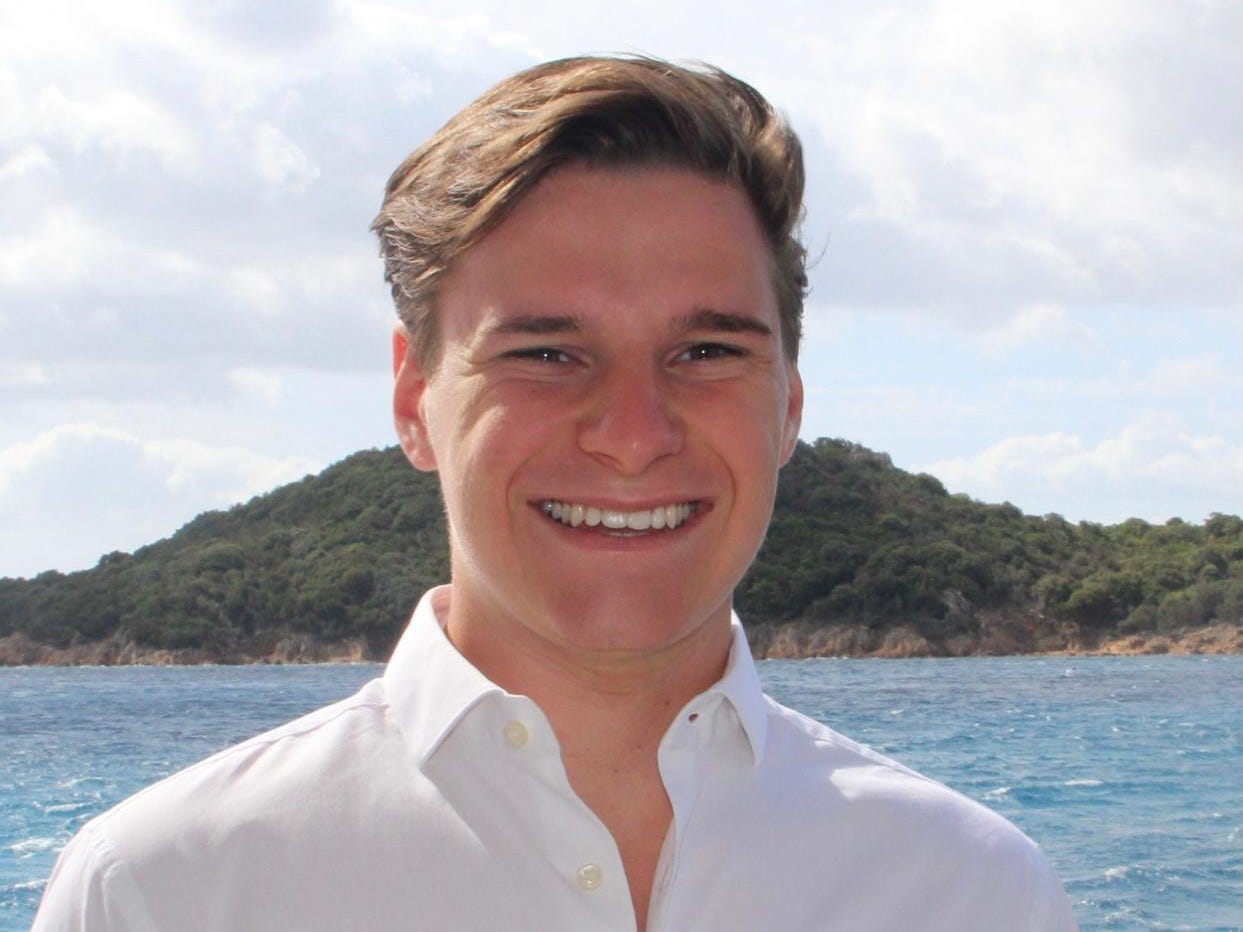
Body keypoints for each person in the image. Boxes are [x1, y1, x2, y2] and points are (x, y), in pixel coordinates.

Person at [33, 56, 1078, 931]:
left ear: (789, 403)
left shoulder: (971, 891)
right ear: (413, 398)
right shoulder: (162, 892)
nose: (632, 433)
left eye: (704, 349)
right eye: (546, 352)